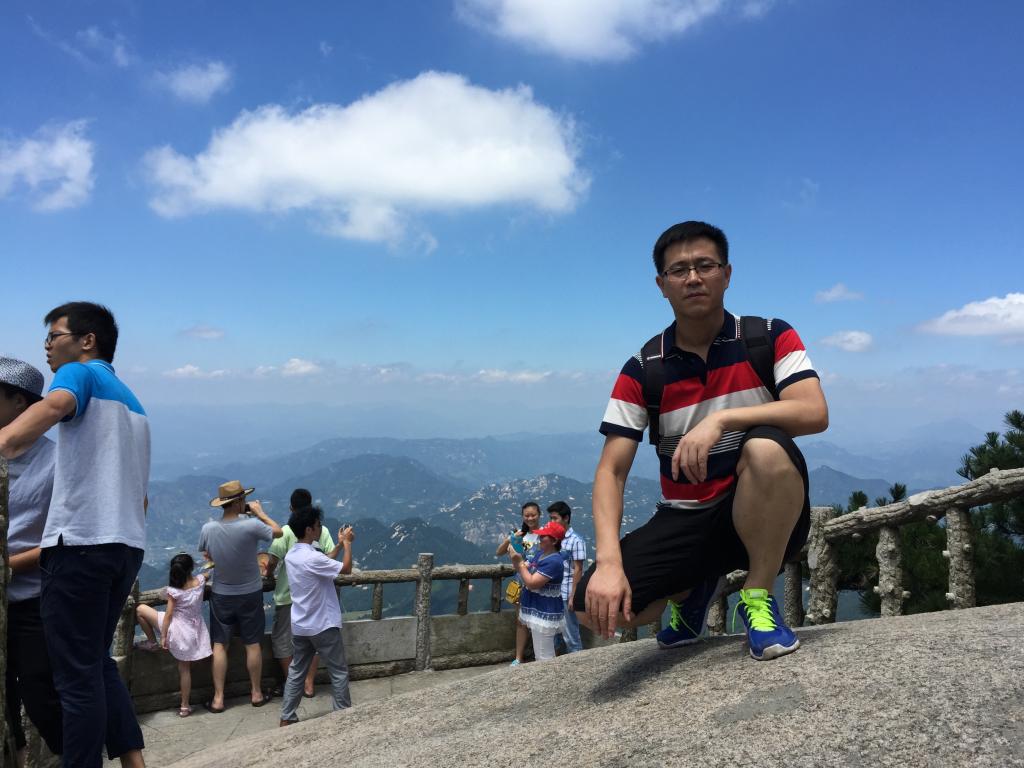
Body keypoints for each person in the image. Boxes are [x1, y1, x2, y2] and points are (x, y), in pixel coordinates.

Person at [576, 221, 828, 661]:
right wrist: (609, 564)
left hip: (762, 511)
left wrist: (723, 421)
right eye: (679, 270)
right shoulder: (644, 368)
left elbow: (813, 411)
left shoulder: (768, 337)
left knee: (766, 447)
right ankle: (691, 593)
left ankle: (758, 596)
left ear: (726, 274)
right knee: (592, 607)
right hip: (686, 516)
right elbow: (611, 471)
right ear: (662, 285)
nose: (693, 278)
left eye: (705, 266)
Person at [0, 302, 151, 767]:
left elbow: (54, 405)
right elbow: (142, 498)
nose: (47, 346)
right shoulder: (133, 402)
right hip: (125, 547)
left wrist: (4, 441)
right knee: (95, 663)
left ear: (87, 341)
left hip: (81, 546)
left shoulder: (79, 373)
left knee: (74, 680)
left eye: (54, 336)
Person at [0, 357, 63, 766]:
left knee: (41, 690)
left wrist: (9, 566)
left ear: (19, 402)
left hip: (32, 599)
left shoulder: (56, 462)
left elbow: (65, 540)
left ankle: (76, 755)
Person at [198, 480, 283, 712]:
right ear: (239, 502)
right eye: (244, 499)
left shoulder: (208, 529)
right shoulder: (252, 525)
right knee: (252, 644)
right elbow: (278, 531)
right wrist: (260, 513)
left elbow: (206, 552)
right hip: (250, 593)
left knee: (220, 645)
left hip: (221, 594)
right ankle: (256, 693)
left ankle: (218, 699)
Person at [279, 506, 354, 726]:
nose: (321, 528)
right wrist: (348, 544)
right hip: (323, 624)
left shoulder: (293, 555)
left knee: (296, 672)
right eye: (318, 525)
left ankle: (287, 716)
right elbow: (346, 569)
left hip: (301, 625)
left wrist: (338, 544)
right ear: (309, 529)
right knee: (338, 671)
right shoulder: (312, 558)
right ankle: (343, 717)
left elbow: (323, 561)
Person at [266, 487, 344, 697]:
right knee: (315, 641)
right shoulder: (321, 530)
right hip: (315, 597)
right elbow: (328, 557)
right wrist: (342, 545)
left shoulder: (285, 531)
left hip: (287, 594)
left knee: (283, 640)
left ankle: (294, 682)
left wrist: (268, 574)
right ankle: (309, 683)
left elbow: (272, 561)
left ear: (291, 508)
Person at [134, 553, 212, 717]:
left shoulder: (174, 591)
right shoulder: (199, 581)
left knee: (140, 609)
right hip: (195, 630)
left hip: (177, 629)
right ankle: (185, 706)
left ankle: (152, 642)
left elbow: (169, 616)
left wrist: (163, 637)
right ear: (191, 568)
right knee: (185, 669)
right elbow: (206, 574)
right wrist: (208, 567)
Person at [508, 521, 566, 662]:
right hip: (537, 607)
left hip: (545, 610)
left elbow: (532, 583)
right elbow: (525, 569)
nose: (540, 538)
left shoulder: (554, 561)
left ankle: (549, 675)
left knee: (544, 656)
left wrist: (519, 563)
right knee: (540, 653)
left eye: (543, 536)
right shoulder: (541, 554)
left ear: (554, 541)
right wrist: (516, 553)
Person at [495, 501, 541, 665]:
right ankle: (518, 657)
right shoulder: (520, 535)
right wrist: (510, 539)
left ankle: (540, 655)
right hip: (521, 584)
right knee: (521, 622)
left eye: (533, 515)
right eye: (527, 515)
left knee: (540, 621)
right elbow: (499, 552)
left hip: (540, 583)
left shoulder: (544, 535)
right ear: (523, 517)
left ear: (539, 515)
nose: (530, 518)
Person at [547, 501, 586, 654]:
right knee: (554, 632)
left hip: (567, 591)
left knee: (570, 634)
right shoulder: (554, 538)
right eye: (550, 518)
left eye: (555, 518)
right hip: (554, 591)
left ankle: (577, 661)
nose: (552, 522)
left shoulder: (576, 540)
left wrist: (573, 596)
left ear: (566, 518)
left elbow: (578, 569)